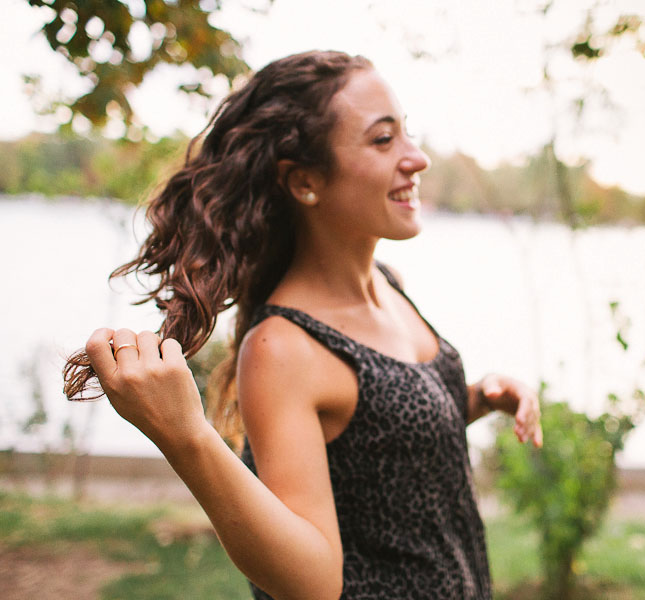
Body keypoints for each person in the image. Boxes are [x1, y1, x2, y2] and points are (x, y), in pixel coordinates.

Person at [64, 50, 543, 600]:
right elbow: (311, 584)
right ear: (305, 181)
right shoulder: (283, 347)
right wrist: (187, 437)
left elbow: (378, 440)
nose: (418, 158)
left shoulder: (389, 282)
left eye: (407, 133)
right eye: (383, 140)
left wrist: (476, 398)